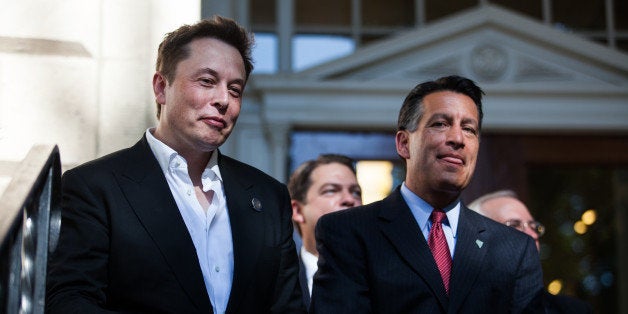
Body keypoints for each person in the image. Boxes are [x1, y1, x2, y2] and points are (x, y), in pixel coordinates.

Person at [46, 16, 306, 313]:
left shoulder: (269, 196)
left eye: (235, 89)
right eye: (207, 81)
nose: (224, 99)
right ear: (161, 87)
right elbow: (70, 301)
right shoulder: (95, 187)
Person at [310, 75, 544, 313]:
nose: (457, 138)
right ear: (403, 143)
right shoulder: (348, 232)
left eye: (469, 129)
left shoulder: (514, 249)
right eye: (440, 124)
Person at [469, 190, 594, 314]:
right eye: (514, 225)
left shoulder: (574, 310)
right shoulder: (458, 305)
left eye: (533, 226)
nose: (532, 235)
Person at [288, 154, 363, 307]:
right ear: (297, 211)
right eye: (331, 190)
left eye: (356, 192)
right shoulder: (277, 281)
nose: (349, 199)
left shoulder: (387, 275)